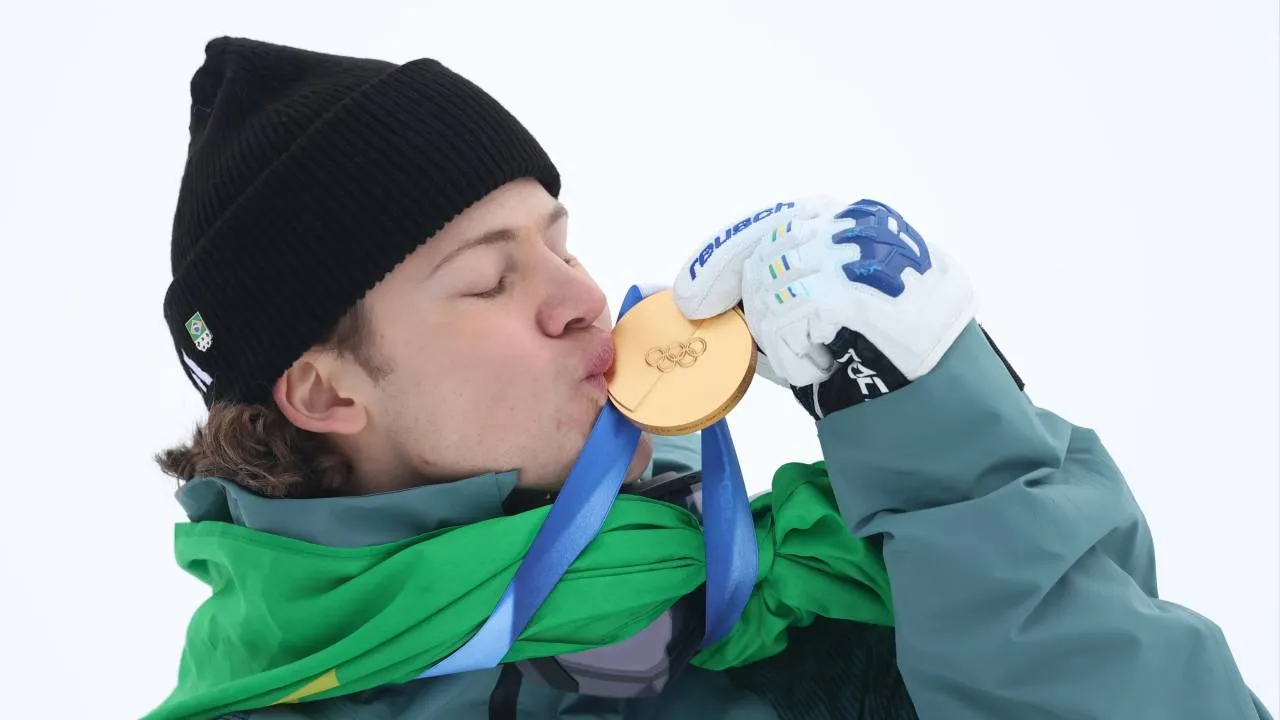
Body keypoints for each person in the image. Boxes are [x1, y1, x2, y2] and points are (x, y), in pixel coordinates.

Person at [145, 37, 1272, 720]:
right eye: (489, 280)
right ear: (327, 393)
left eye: (560, 242)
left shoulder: (815, 611)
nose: (582, 297)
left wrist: (942, 443)